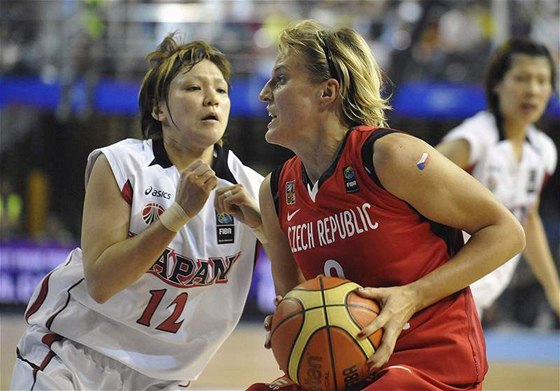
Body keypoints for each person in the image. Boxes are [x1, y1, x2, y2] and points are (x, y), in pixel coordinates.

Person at [246, 19, 525, 391]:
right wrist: (292, 320)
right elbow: (293, 296)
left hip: (429, 365)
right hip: (347, 368)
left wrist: (411, 296)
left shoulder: (388, 155)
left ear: (327, 92)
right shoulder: (276, 191)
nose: (265, 93)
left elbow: (507, 232)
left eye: (280, 79)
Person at [11, 33, 269, 390]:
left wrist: (264, 228)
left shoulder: (254, 188)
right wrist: (177, 214)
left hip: (165, 378)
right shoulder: (121, 164)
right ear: (159, 109)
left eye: (221, 90)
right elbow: (102, 283)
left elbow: (296, 284)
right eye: (193, 88)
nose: (212, 98)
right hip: (74, 354)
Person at [436, 38, 559, 321]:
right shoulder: (475, 138)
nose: (532, 90)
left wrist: (554, 291)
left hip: (478, 297)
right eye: (521, 78)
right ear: (497, 84)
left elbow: (528, 218)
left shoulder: (543, 151)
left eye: (542, 80)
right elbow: (414, 178)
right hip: (443, 292)